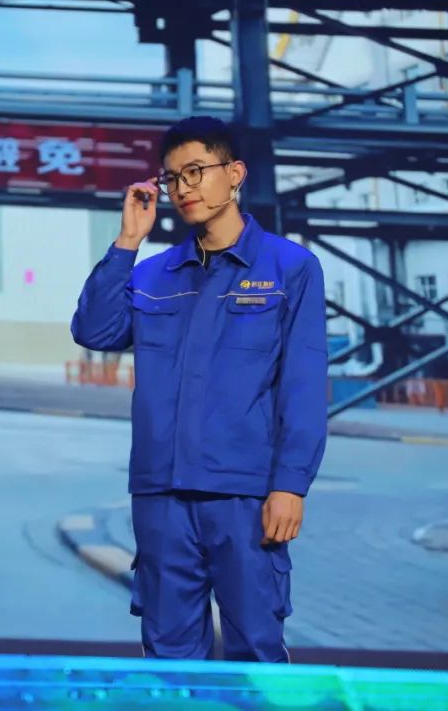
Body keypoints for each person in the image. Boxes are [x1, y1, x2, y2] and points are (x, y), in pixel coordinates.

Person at [71, 116, 327, 661]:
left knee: (255, 650)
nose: (183, 188)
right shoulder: (154, 274)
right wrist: (128, 241)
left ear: (234, 173)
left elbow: (303, 386)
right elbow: (94, 331)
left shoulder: (291, 269)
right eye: (171, 178)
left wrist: (290, 485)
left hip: (244, 495)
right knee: (168, 655)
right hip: (161, 494)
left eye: (195, 171)